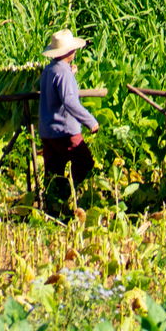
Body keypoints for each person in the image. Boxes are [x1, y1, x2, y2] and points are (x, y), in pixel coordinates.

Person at [38, 28, 99, 217]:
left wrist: (70, 74)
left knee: (53, 171)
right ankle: (67, 195)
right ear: (69, 52)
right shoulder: (63, 73)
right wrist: (90, 121)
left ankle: (53, 207)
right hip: (65, 131)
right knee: (85, 164)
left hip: (48, 131)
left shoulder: (49, 70)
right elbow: (70, 101)